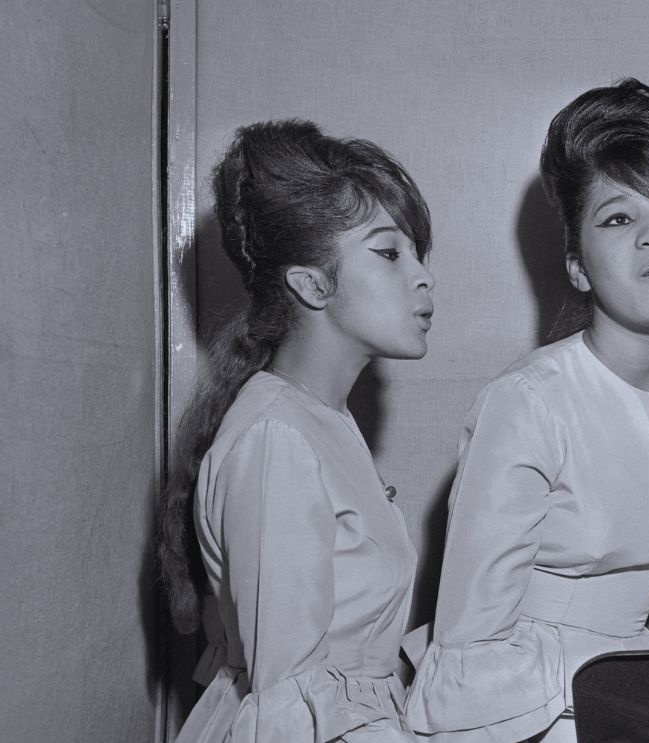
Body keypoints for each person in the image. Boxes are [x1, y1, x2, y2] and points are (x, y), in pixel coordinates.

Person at [404, 79, 649, 742]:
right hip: (532, 715)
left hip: (645, 702)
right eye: (619, 218)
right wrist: (624, 689)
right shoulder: (529, 403)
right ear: (577, 265)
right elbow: (466, 651)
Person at [156, 120, 436, 742]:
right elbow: (291, 705)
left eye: (418, 254)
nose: (423, 277)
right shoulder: (276, 438)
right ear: (311, 284)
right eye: (390, 253)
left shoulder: (323, 419)